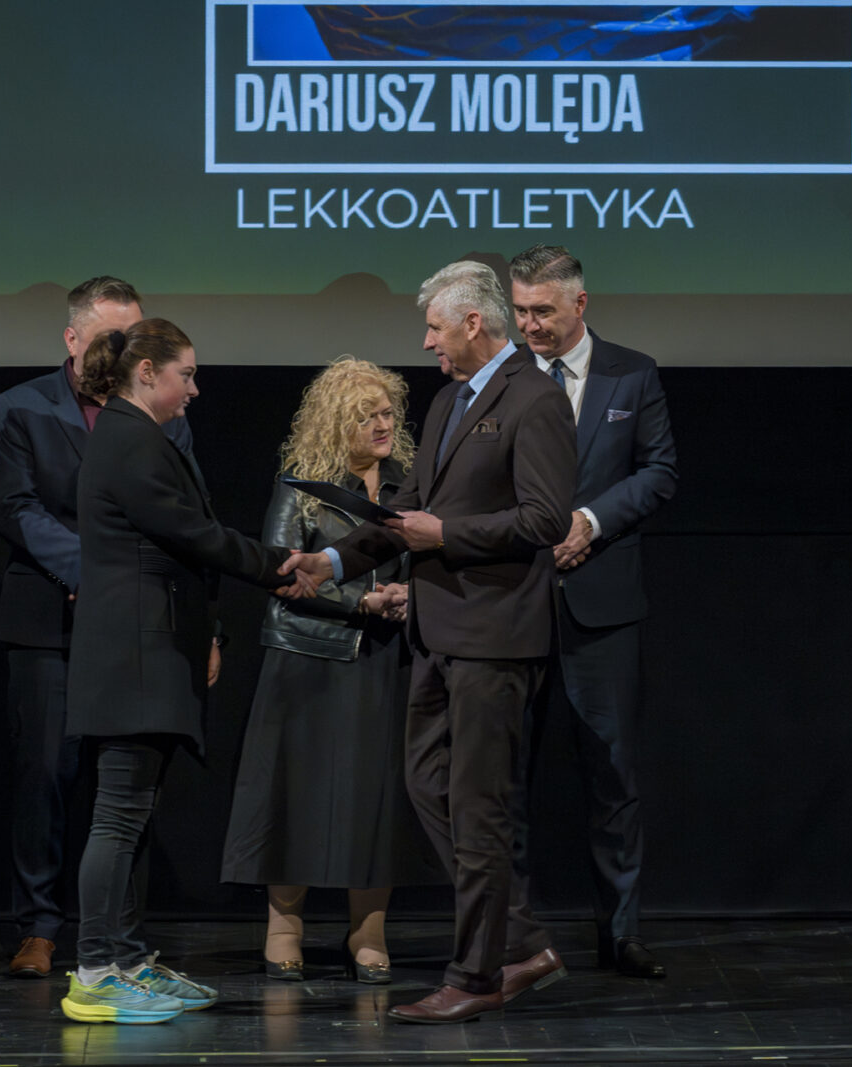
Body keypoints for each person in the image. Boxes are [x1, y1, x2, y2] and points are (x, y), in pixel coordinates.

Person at [282, 260, 577, 1023]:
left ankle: (476, 976)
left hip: (496, 635)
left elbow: (546, 519)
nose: (427, 342)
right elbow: (403, 512)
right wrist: (333, 561)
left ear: (474, 323)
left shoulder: (536, 399)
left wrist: (448, 534)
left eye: (435, 327)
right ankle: (523, 942)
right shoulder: (449, 400)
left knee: (478, 807)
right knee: (427, 787)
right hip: (439, 634)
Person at [60, 319, 314, 1025]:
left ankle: (125, 959)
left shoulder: (139, 435)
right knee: (117, 815)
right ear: (147, 372)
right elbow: (192, 532)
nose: (195, 389)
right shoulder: (128, 438)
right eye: (187, 374)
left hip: (150, 651)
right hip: (133, 655)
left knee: (133, 814)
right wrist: (281, 565)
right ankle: (94, 972)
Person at [0, 276, 197, 979]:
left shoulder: (162, 408)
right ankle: (40, 926)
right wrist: (91, 569)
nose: (126, 348)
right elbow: (15, 507)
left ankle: (121, 941)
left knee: (128, 785)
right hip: (50, 616)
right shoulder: (21, 406)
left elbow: (183, 520)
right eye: (112, 336)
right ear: (73, 338)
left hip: (138, 621)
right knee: (45, 774)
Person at [221, 357, 442, 983]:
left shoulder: (409, 485)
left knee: (377, 797)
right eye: (366, 415)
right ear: (335, 422)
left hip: (385, 658)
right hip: (308, 657)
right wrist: (361, 600)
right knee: (294, 791)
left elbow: (432, 561)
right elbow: (282, 574)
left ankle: (368, 930)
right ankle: (284, 927)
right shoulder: (301, 487)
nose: (383, 424)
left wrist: (410, 597)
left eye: (387, 412)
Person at [507, 245, 680, 978]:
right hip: (513, 602)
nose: (529, 325)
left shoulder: (630, 373)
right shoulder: (504, 377)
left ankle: (621, 932)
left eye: (542, 311)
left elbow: (659, 471)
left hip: (601, 607)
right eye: (520, 311)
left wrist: (591, 520)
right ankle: (514, 938)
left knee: (613, 776)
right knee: (506, 778)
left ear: (580, 304)